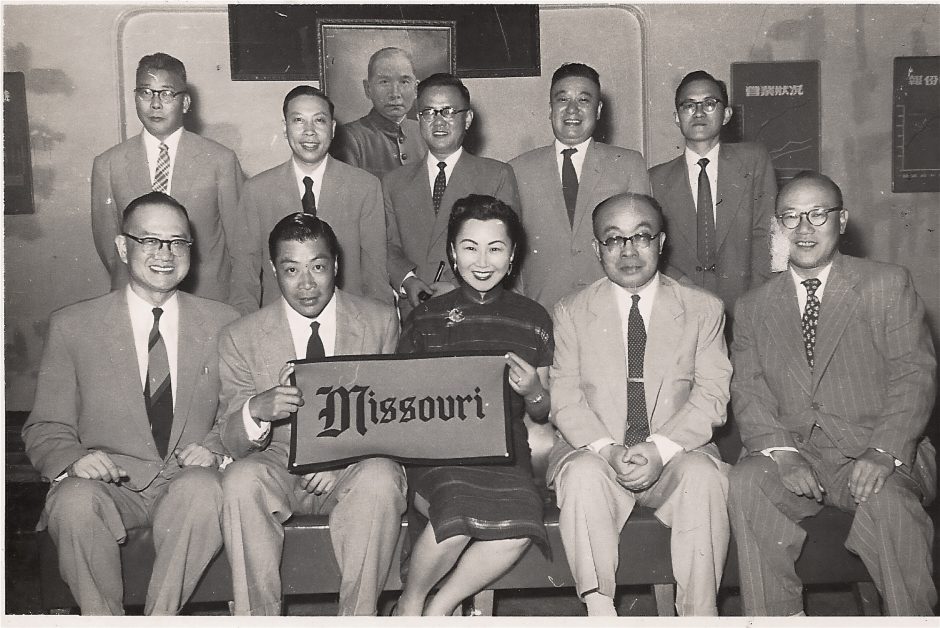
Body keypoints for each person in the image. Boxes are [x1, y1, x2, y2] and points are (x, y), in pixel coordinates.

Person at [728, 171, 937, 616]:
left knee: (888, 505)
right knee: (747, 482)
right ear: (777, 227)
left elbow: (914, 374)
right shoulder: (753, 307)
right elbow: (749, 388)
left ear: (841, 222)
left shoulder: (886, 284)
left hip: (878, 451)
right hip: (800, 455)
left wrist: (882, 451)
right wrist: (782, 453)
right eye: (791, 217)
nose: (804, 229)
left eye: (818, 214)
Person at [23, 192, 239, 615]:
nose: (165, 254)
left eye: (177, 242)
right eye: (150, 241)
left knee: (204, 490)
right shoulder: (73, 325)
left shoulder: (224, 322)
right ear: (123, 248)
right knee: (72, 502)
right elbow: (45, 427)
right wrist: (73, 460)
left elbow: (239, 413)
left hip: (185, 482)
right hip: (109, 486)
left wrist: (215, 447)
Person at [548, 192, 731, 616]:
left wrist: (660, 449)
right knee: (581, 476)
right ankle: (600, 611)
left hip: (676, 454)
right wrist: (608, 450)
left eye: (641, 237)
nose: (628, 251)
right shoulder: (571, 311)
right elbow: (566, 399)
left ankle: (699, 616)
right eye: (613, 240)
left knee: (704, 478)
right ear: (597, 248)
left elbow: (712, 395)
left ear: (661, 242)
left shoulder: (703, 310)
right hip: (598, 454)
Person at [219, 212, 406, 616]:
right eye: (291, 270)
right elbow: (230, 440)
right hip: (278, 465)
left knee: (380, 477)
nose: (306, 284)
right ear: (273, 270)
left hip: (353, 468)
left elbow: (394, 419)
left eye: (318, 267)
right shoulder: (241, 335)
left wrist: (345, 455)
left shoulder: (378, 320)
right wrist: (257, 410)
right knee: (239, 480)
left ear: (336, 264)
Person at [395, 194, 551, 616]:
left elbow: (541, 411)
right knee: (460, 506)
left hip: (507, 456)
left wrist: (534, 389)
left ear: (513, 253)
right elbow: (400, 406)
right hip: (438, 458)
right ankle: (409, 605)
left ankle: (439, 607)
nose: (483, 261)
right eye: (470, 247)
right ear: (452, 252)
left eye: (495, 248)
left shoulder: (534, 318)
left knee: (521, 523)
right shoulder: (426, 318)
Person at [91, 52, 246, 304]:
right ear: (135, 98)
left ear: (184, 103)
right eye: (146, 92)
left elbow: (242, 247)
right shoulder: (108, 164)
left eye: (166, 94)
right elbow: (111, 251)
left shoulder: (221, 160)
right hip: (135, 302)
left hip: (207, 301)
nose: (155, 104)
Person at [228, 86, 391, 314]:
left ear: (332, 128)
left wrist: (381, 327)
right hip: (278, 323)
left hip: (348, 321)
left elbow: (376, 273)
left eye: (319, 121)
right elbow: (245, 275)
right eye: (298, 120)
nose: (309, 131)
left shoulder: (364, 187)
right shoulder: (257, 191)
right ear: (285, 129)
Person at [510, 62, 651, 311]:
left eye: (583, 100)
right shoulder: (517, 169)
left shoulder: (628, 164)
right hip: (541, 310)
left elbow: (643, 247)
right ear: (550, 108)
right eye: (562, 99)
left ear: (598, 110)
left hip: (610, 309)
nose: (572, 109)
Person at [383, 73, 519, 317]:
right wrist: (408, 280)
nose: (438, 122)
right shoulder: (395, 182)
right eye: (428, 112)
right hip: (414, 310)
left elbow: (506, 248)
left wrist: (458, 288)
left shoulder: (497, 174)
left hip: (476, 306)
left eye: (448, 111)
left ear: (467, 119)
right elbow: (387, 244)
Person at [649, 70, 776, 317]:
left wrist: (758, 301)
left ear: (726, 114)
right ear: (677, 117)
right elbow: (655, 251)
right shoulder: (656, 179)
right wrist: (686, 289)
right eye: (689, 105)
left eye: (709, 104)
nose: (698, 113)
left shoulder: (753, 162)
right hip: (682, 307)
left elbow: (769, 236)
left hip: (747, 306)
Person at [331, 47, 427, 179]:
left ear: (416, 89)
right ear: (368, 89)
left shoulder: (425, 132)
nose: (395, 93)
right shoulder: (349, 138)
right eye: (384, 82)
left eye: (404, 82)